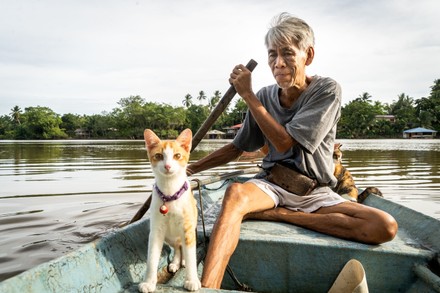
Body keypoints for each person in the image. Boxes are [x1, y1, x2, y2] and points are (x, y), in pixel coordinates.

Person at [186, 12, 398, 289]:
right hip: (272, 185)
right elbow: (239, 147)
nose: (278, 63)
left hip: (315, 191)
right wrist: (190, 168)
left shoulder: (326, 90)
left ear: (307, 55)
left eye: (287, 53)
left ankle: (282, 215)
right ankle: (208, 287)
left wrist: (248, 96)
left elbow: (286, 142)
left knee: (385, 227)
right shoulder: (264, 96)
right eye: (272, 55)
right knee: (235, 194)